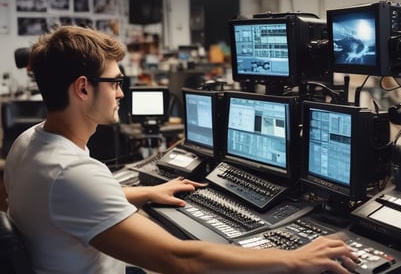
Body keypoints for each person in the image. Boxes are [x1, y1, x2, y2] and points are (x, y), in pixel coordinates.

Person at [4, 26, 358, 274]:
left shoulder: (28, 142)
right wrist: (293, 259)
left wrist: (146, 192)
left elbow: (66, 204)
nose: (121, 94)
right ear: (83, 89)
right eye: (115, 83)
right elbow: (178, 260)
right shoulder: (73, 174)